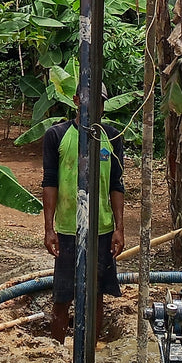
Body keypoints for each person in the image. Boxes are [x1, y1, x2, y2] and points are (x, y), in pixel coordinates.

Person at [41, 108, 125, 344]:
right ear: (77, 100)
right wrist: (49, 229)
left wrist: (119, 228)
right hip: (69, 229)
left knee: (96, 296)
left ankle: (92, 350)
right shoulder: (57, 135)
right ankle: (57, 351)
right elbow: (50, 181)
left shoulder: (112, 137)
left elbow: (116, 185)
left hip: (102, 230)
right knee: (63, 296)